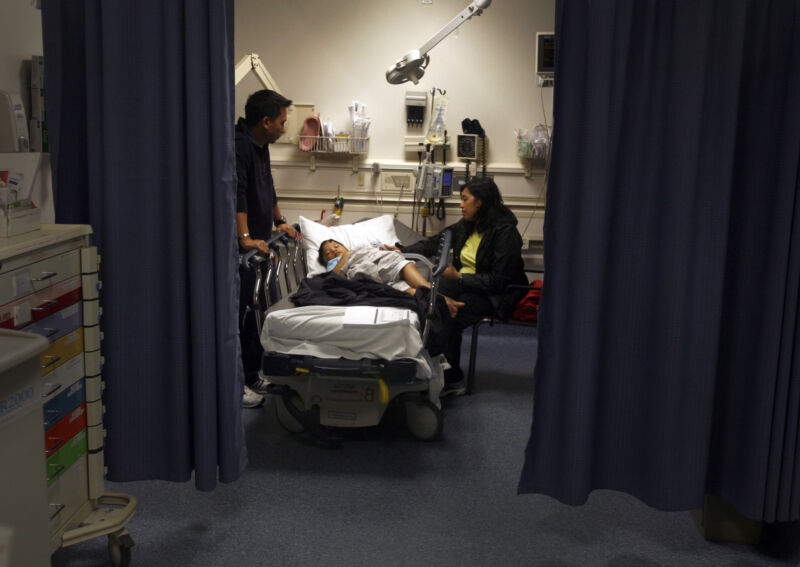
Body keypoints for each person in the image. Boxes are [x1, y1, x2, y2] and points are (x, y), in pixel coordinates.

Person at [390, 178, 527, 396]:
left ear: (480, 202)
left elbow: (499, 281)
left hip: (497, 295)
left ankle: (452, 378)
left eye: (465, 199)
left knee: (446, 313)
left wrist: (460, 277)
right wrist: (403, 251)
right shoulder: (469, 225)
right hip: (468, 286)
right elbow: (435, 242)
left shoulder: (505, 233)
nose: (461, 205)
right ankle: (424, 365)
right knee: (430, 298)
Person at [236, 89, 297, 408]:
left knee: (255, 309)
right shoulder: (240, 146)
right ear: (266, 121)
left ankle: (251, 372)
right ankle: (238, 382)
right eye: (283, 123)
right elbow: (239, 193)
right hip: (243, 249)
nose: (285, 128)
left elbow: (268, 186)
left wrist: (280, 221)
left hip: (260, 242)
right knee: (240, 315)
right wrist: (245, 237)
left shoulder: (261, 145)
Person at [318, 239, 464, 318]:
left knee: (411, 281)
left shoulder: (358, 247)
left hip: (385, 262)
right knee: (406, 291)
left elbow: (375, 251)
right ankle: (443, 300)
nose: (334, 250)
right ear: (325, 261)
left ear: (344, 245)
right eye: (328, 253)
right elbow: (334, 278)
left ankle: (440, 300)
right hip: (369, 276)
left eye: (336, 246)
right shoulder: (334, 264)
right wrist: (344, 255)